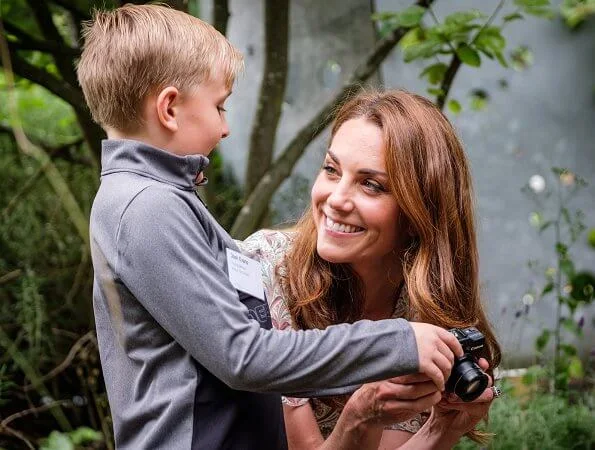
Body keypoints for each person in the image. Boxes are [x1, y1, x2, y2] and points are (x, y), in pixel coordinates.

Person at [77, 5, 465, 449]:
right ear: (169, 108)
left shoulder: (159, 199)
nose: (225, 128)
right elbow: (245, 357)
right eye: (219, 106)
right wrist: (394, 343)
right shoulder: (147, 207)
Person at [240, 89, 502, 449]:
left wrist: (442, 429)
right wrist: (362, 414)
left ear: (417, 213)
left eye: (371, 185)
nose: (336, 199)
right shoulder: (264, 270)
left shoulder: (427, 314)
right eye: (331, 170)